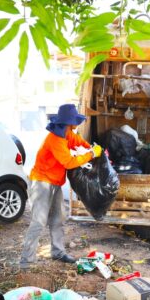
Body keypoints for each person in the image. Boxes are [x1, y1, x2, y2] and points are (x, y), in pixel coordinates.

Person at [20, 104, 102, 269]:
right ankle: (26, 261)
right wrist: (91, 154)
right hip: (41, 182)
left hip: (55, 182)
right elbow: (69, 162)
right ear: (68, 122)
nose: (76, 125)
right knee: (39, 221)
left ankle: (58, 252)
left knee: (58, 219)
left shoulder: (67, 133)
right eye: (74, 122)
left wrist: (90, 148)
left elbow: (78, 141)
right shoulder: (55, 139)